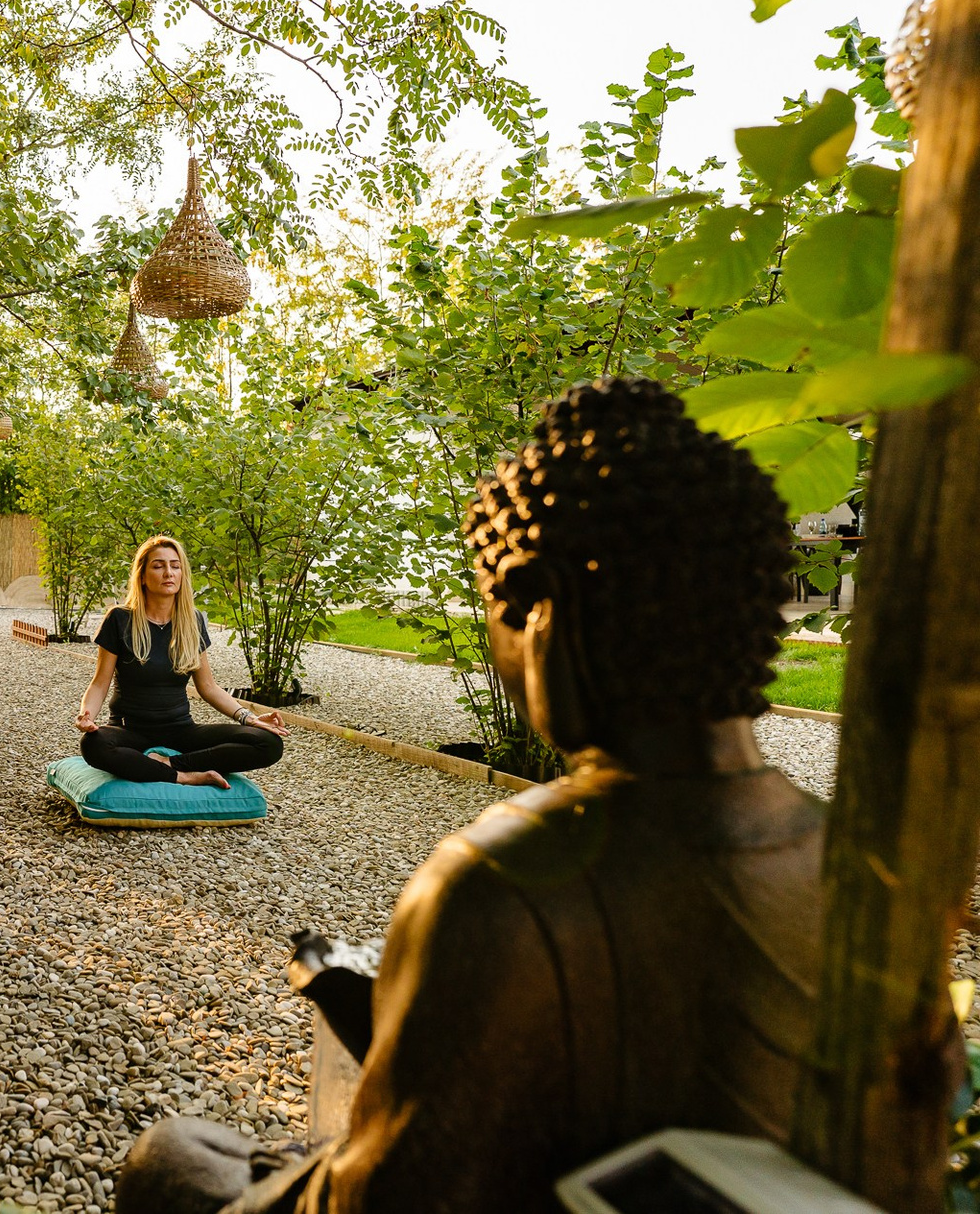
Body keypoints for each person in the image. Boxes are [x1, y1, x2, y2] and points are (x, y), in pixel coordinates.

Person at [117, 377, 856, 1214]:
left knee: (172, 1156)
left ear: (542, 617)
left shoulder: (504, 878)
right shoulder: (849, 856)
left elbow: (392, 1194)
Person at [75, 535, 286, 788]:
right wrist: (87, 715)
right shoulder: (120, 619)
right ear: (142, 576)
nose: (168, 573)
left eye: (175, 566)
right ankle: (186, 776)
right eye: (158, 566)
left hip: (181, 730)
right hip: (129, 730)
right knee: (94, 744)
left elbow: (208, 687)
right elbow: (100, 683)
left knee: (269, 743)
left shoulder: (192, 621)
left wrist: (249, 718)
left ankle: (170, 764)